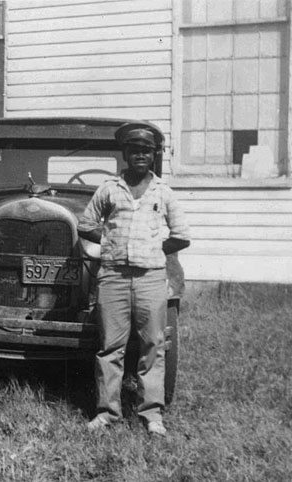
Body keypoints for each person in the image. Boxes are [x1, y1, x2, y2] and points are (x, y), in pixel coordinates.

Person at [77, 123, 190, 436]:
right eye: (134, 150)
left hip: (151, 278)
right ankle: (106, 412)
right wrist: (112, 241)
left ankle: (152, 414)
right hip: (112, 277)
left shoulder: (163, 192)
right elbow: (86, 225)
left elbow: (182, 236)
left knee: (152, 346)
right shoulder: (109, 189)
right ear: (124, 154)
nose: (140, 155)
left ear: (154, 155)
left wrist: (155, 247)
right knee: (109, 347)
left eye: (146, 150)